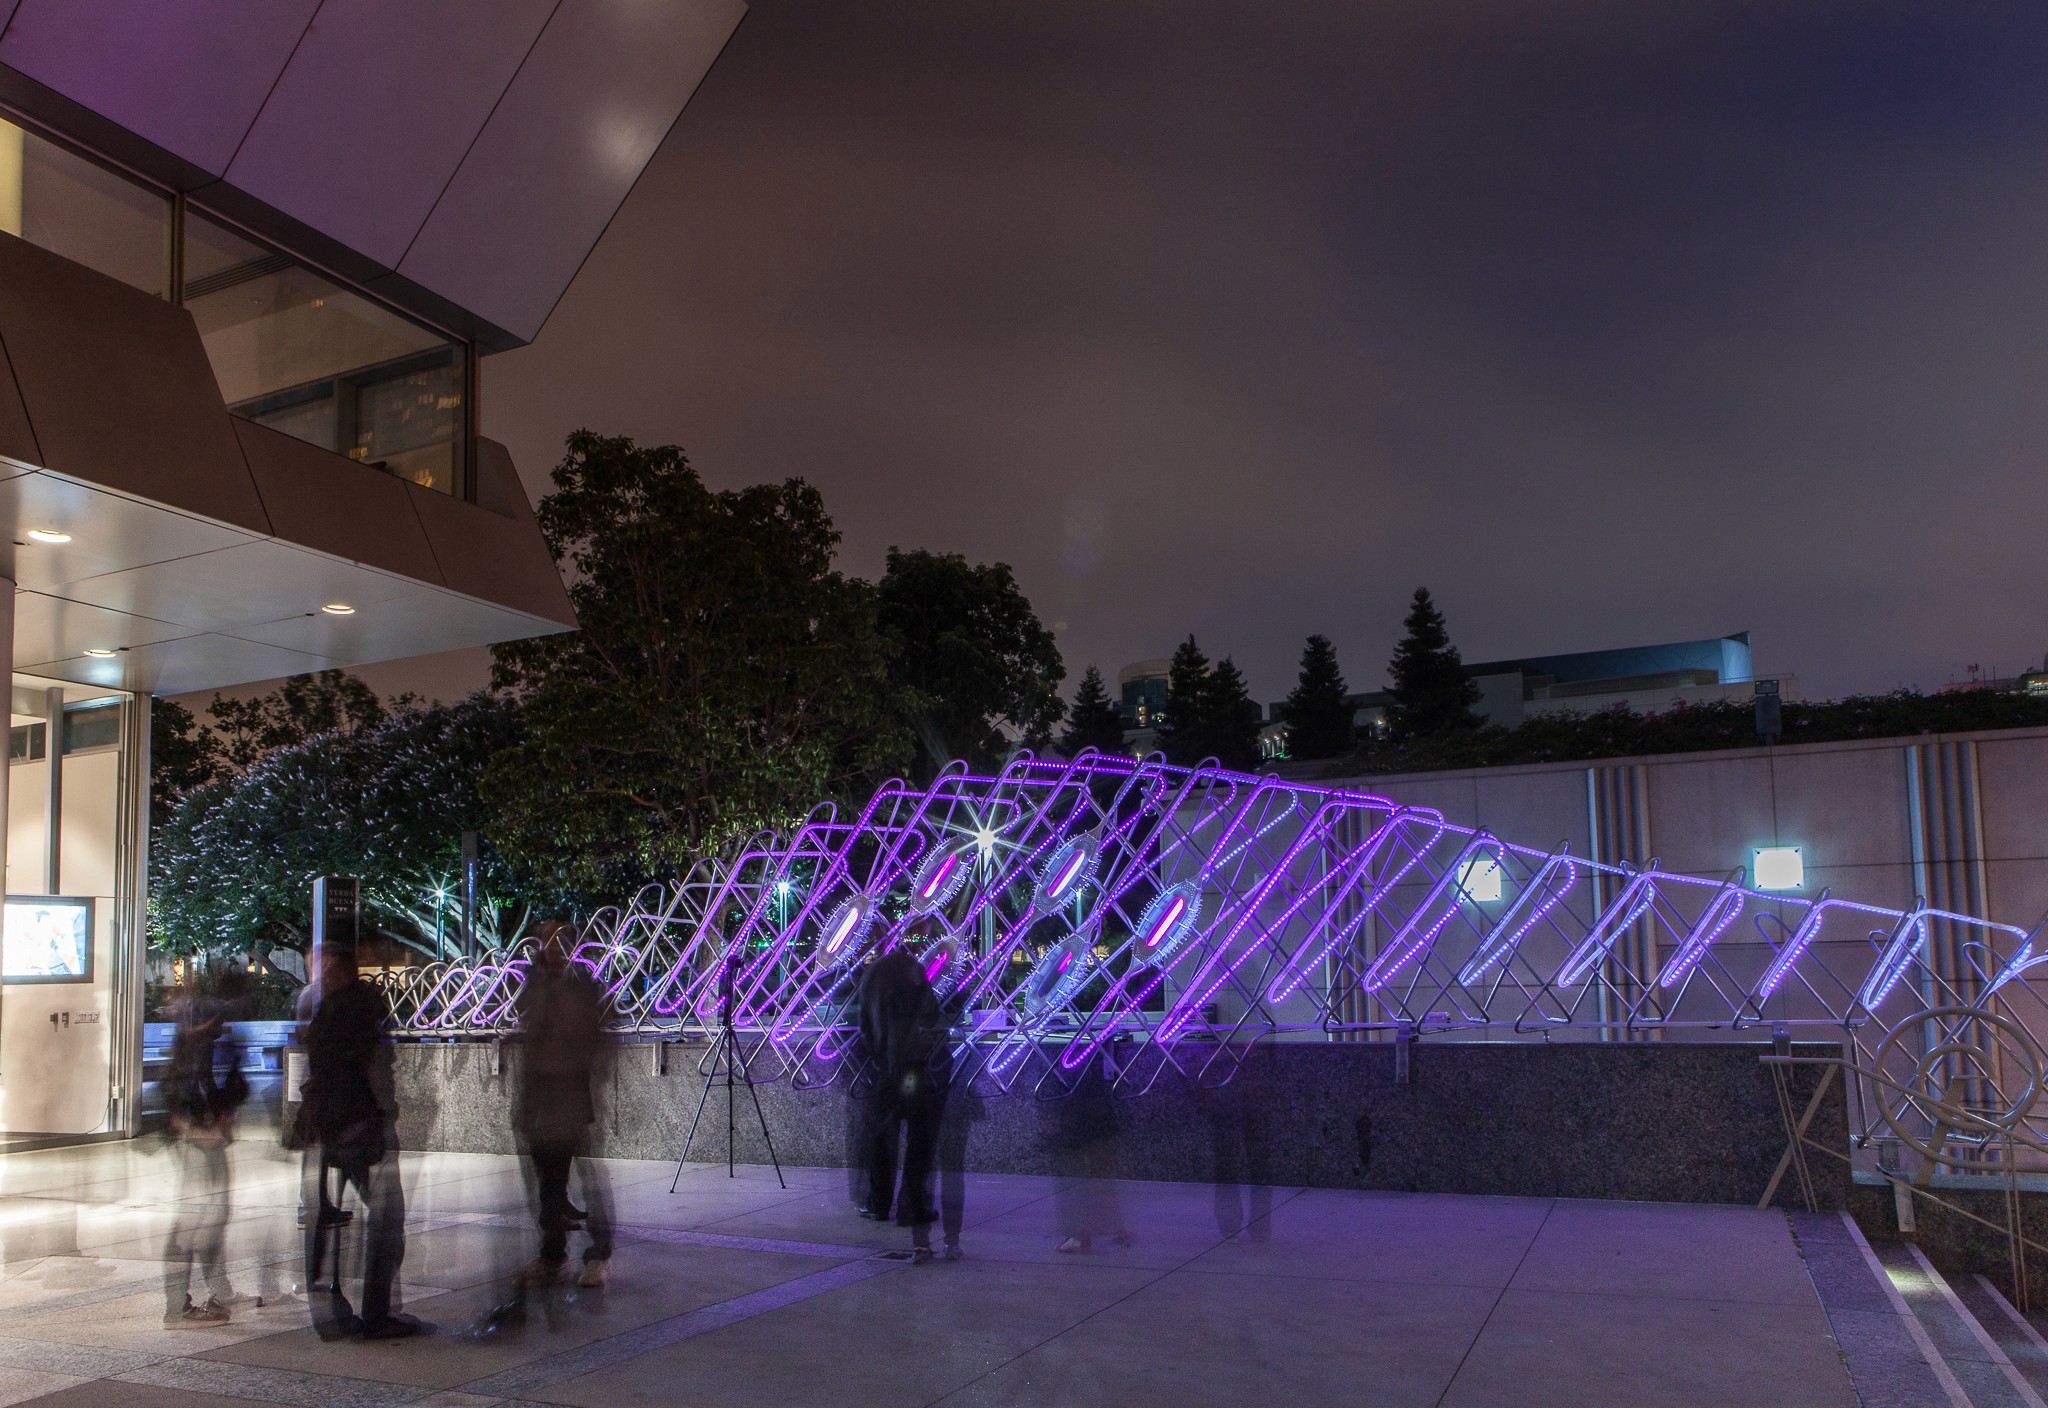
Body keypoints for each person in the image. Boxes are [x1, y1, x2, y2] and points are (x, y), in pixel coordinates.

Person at [300, 944, 420, 1340]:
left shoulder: (326, 1013)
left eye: (327, 969)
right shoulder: (359, 1009)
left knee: (345, 1224)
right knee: (388, 1221)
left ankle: (339, 1312)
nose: (322, 976)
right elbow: (372, 1071)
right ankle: (376, 1314)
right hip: (361, 1127)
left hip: (336, 1128)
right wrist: (385, 1116)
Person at [511, 921, 614, 1292]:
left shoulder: (581, 985)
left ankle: (598, 1255)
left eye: (559, 941)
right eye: (545, 940)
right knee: (550, 1185)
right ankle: (552, 1256)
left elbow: (592, 1038)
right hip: (540, 1099)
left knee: (587, 1184)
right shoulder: (534, 982)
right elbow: (530, 1038)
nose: (551, 947)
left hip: (569, 1095)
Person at [161, 969, 249, 1326]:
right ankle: (175, 1306)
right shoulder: (188, 1047)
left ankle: (218, 1290)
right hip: (195, 1140)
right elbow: (172, 1098)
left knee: (215, 1214)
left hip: (209, 1136)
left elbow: (228, 1086)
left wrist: (224, 1118)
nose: (219, 1025)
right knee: (193, 1219)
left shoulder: (209, 1045)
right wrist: (192, 1128)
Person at [856, 937, 949, 1262]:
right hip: (913, 1069)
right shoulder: (915, 970)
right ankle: (913, 1207)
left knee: (883, 1136)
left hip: (887, 1068)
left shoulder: (871, 975)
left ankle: (879, 1204)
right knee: (919, 1138)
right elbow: (932, 1016)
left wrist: (880, 1053)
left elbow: (864, 1025)